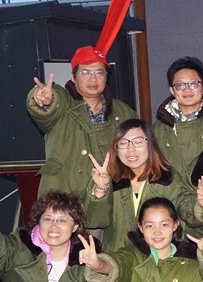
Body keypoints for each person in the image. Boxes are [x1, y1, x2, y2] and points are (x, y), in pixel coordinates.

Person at [27, 46, 137, 197]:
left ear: (106, 77)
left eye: (99, 72)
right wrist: (45, 101)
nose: (93, 78)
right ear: (73, 77)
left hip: (110, 196)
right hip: (64, 197)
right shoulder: (63, 105)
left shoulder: (123, 112)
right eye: (85, 72)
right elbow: (48, 109)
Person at [85, 119, 185, 252]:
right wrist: (101, 189)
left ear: (150, 144)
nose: (130, 150)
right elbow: (95, 222)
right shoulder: (105, 177)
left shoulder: (168, 179)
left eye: (138, 142)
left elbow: (181, 224)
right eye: (123, 143)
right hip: (116, 257)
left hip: (158, 256)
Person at [152, 56, 203, 180]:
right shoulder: (158, 129)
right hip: (172, 192)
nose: (187, 89)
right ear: (172, 91)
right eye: (179, 85)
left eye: (193, 84)